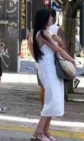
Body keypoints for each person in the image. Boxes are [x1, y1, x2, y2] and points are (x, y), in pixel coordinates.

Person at [32, 9, 76, 141]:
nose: (52, 19)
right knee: (51, 100)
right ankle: (39, 132)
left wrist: (57, 39)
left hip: (51, 67)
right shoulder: (42, 33)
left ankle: (45, 132)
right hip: (47, 68)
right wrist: (72, 60)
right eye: (50, 18)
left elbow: (59, 44)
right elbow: (57, 49)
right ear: (44, 19)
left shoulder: (47, 32)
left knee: (54, 99)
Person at [28, 10, 66, 109]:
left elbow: (30, 43)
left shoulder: (36, 30)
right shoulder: (55, 29)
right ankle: (47, 109)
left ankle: (44, 107)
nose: (52, 19)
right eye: (51, 17)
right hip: (51, 62)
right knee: (52, 86)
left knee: (43, 86)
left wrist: (36, 57)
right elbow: (62, 45)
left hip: (43, 61)